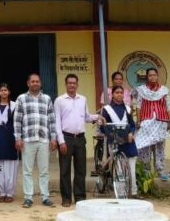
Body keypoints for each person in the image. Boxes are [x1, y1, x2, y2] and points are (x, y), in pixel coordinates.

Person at [54, 73, 100, 207]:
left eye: (74, 83)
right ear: (65, 84)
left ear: (77, 84)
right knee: (65, 170)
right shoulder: (59, 100)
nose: (72, 85)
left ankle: (79, 197)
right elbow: (57, 122)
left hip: (80, 138)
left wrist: (97, 117)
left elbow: (86, 117)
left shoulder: (82, 99)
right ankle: (66, 198)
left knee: (81, 170)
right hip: (66, 138)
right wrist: (61, 141)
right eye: (69, 83)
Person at [14, 73, 57, 209]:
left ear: (40, 83)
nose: (35, 83)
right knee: (27, 171)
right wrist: (18, 138)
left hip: (44, 139)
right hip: (27, 139)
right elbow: (17, 120)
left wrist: (53, 138)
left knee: (44, 171)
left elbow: (52, 120)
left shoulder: (47, 99)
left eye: (37, 81)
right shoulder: (21, 98)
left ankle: (45, 197)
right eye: (32, 81)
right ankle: (28, 198)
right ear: (28, 83)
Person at [99, 85, 138, 196]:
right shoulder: (106, 109)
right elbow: (103, 127)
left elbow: (132, 124)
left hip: (128, 141)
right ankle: (121, 193)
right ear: (112, 95)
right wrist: (109, 133)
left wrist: (131, 133)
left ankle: (133, 191)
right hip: (114, 141)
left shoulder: (128, 109)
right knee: (119, 168)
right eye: (117, 93)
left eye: (121, 92)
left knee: (131, 166)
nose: (119, 95)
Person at [135, 68, 170, 181]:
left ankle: (160, 171)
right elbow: (138, 106)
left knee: (159, 147)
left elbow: (168, 106)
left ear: (157, 76)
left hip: (161, 122)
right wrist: (138, 121)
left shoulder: (164, 90)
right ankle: (145, 171)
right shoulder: (142, 90)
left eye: (154, 75)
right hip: (146, 122)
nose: (152, 77)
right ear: (147, 77)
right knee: (145, 147)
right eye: (150, 75)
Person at [0, 83, 18, 203]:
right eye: (2, 90)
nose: (4, 92)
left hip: (11, 138)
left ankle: (9, 193)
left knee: (11, 166)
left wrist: (18, 139)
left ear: (9, 92)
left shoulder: (15, 105)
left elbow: (18, 124)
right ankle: (1, 193)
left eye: (6, 90)